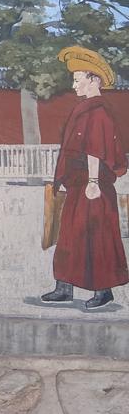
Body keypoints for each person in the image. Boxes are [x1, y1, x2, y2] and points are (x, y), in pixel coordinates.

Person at [41, 46, 127, 310]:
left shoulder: (98, 111)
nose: (74, 84)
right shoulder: (85, 108)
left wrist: (92, 183)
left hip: (94, 185)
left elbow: (95, 148)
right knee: (70, 234)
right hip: (80, 184)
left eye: (78, 79)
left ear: (94, 80)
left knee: (97, 236)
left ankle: (104, 291)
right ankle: (64, 287)